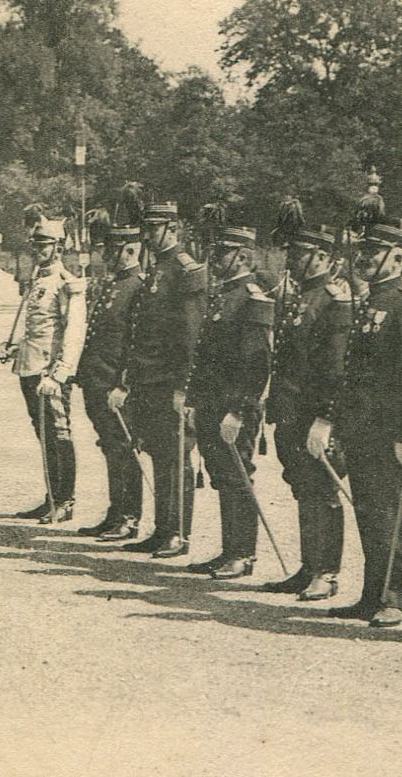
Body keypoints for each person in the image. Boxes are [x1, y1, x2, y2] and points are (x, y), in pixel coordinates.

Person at [307, 215, 402, 627]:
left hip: (388, 429)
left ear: (397, 258)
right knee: (369, 513)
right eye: (362, 250)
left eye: (373, 252)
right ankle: (372, 594)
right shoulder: (373, 301)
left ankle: (395, 598)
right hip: (361, 428)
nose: (363, 258)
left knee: (392, 516)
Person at [110, 202, 207, 558]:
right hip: (149, 381)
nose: (148, 236)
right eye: (146, 229)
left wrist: (184, 386)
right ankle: (162, 528)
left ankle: (178, 534)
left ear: (173, 229)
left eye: (154, 229)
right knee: (159, 456)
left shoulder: (185, 270)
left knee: (176, 458)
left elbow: (190, 336)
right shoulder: (157, 270)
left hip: (170, 383)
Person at [261, 223, 352, 601]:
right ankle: (309, 565)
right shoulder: (302, 297)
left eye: (300, 254)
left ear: (323, 258)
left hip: (314, 415)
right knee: (304, 489)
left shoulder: (333, 301)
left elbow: (336, 368)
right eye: (291, 254)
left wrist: (326, 419)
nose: (292, 261)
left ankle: (326, 573)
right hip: (291, 412)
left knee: (323, 491)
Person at [187, 225, 275, 579]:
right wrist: (195, 399)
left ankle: (243, 554)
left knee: (238, 475)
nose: (214, 259)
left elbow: (257, 364)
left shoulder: (253, 297)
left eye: (221, 253)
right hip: (211, 402)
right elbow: (205, 355)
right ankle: (229, 549)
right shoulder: (222, 295)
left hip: (233, 407)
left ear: (242, 256)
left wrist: (238, 411)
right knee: (222, 475)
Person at [0, 217, 86, 523]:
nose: (38, 250)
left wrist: (58, 373)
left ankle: (66, 500)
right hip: (30, 367)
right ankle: (52, 496)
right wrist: (14, 347)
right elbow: (37, 328)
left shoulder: (67, 283)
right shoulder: (38, 280)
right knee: (43, 434)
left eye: (44, 245)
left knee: (59, 433)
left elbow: (72, 333)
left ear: (58, 247)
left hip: (50, 373)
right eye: (35, 245)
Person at [75, 225, 147, 540]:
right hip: (97, 380)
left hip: (115, 384)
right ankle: (115, 512)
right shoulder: (114, 285)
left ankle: (129, 517)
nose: (105, 256)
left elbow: (135, 342)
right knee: (110, 447)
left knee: (122, 447)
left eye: (111, 251)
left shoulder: (137, 286)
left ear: (130, 251)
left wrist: (124, 385)